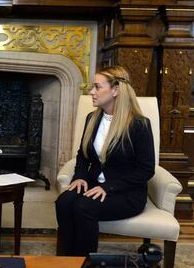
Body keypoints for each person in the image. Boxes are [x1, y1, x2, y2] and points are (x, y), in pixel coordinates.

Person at [55, 66, 155, 256]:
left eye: (97, 87)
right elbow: (83, 155)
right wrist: (79, 177)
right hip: (93, 185)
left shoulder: (139, 125)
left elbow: (146, 169)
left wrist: (108, 187)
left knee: (83, 206)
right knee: (63, 202)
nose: (92, 92)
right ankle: (65, 260)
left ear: (115, 90)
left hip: (125, 193)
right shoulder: (92, 118)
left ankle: (84, 262)